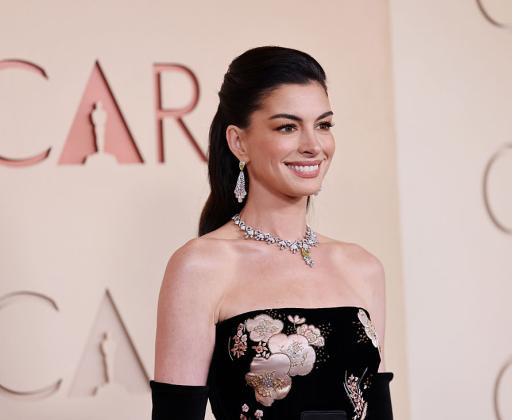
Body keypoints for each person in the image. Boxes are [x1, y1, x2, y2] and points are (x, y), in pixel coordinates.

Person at [150, 45, 394, 420]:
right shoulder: (201, 266)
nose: (313, 146)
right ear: (239, 142)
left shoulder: (362, 267)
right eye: (287, 127)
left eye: (323, 125)